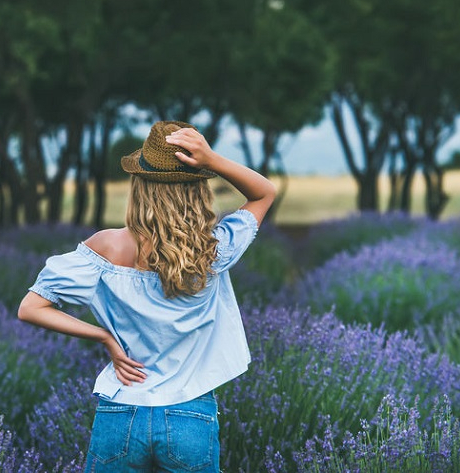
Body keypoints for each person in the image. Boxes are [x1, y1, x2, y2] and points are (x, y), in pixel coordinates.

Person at [18, 121, 276, 472]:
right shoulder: (214, 249)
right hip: (191, 414)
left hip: (121, 413)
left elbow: (31, 308)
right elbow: (263, 193)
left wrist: (103, 336)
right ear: (199, 188)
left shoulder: (106, 247)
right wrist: (212, 160)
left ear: (139, 185)